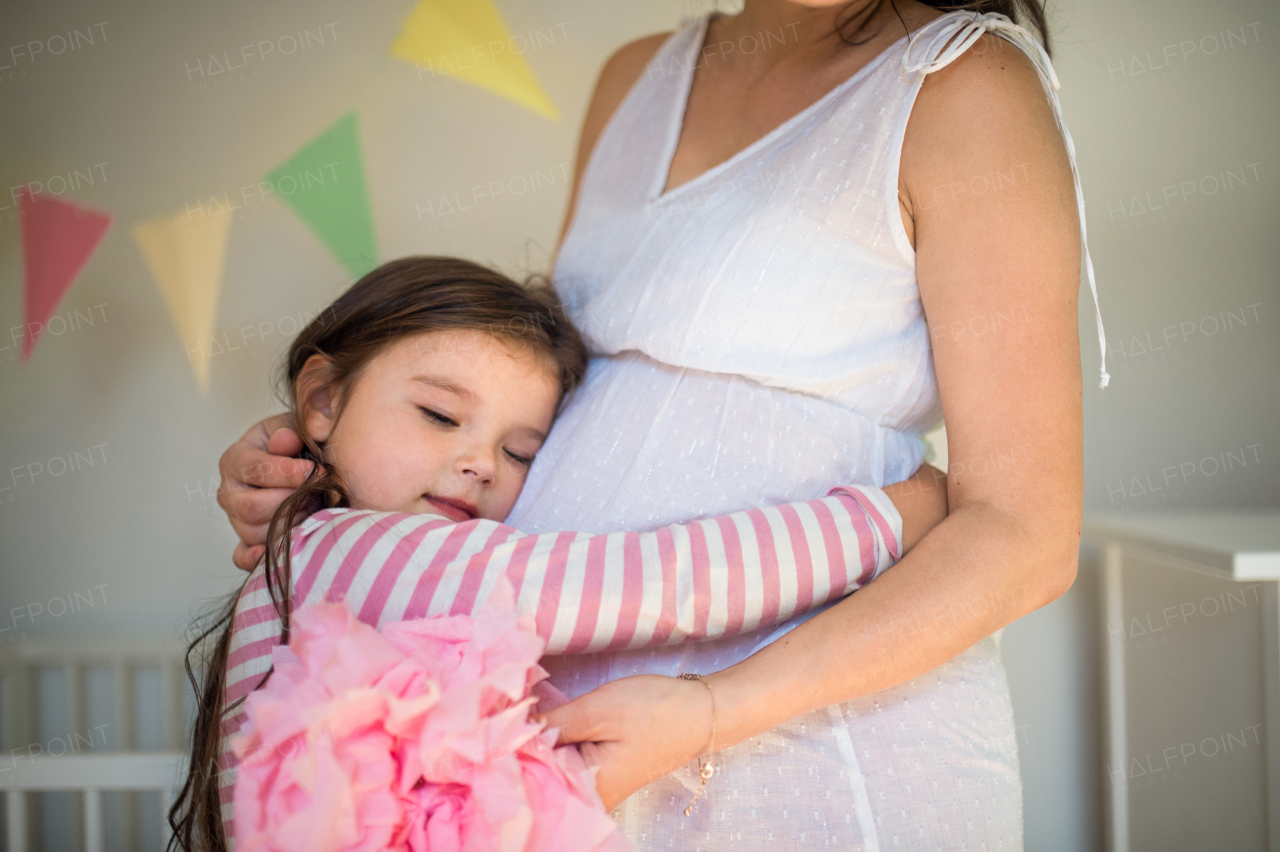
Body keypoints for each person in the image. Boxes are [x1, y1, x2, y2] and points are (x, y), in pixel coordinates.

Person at [218, 0, 1106, 846]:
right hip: (574, 768)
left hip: (813, 753)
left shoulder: (963, 84)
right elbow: (542, 379)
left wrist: (716, 707)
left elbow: (1025, 536)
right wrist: (325, 451)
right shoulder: (633, 79)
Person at [174, 256, 943, 850]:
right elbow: (660, 585)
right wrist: (887, 517)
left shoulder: (324, 554)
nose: (480, 463)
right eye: (441, 415)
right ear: (321, 401)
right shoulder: (345, 552)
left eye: (520, 452)